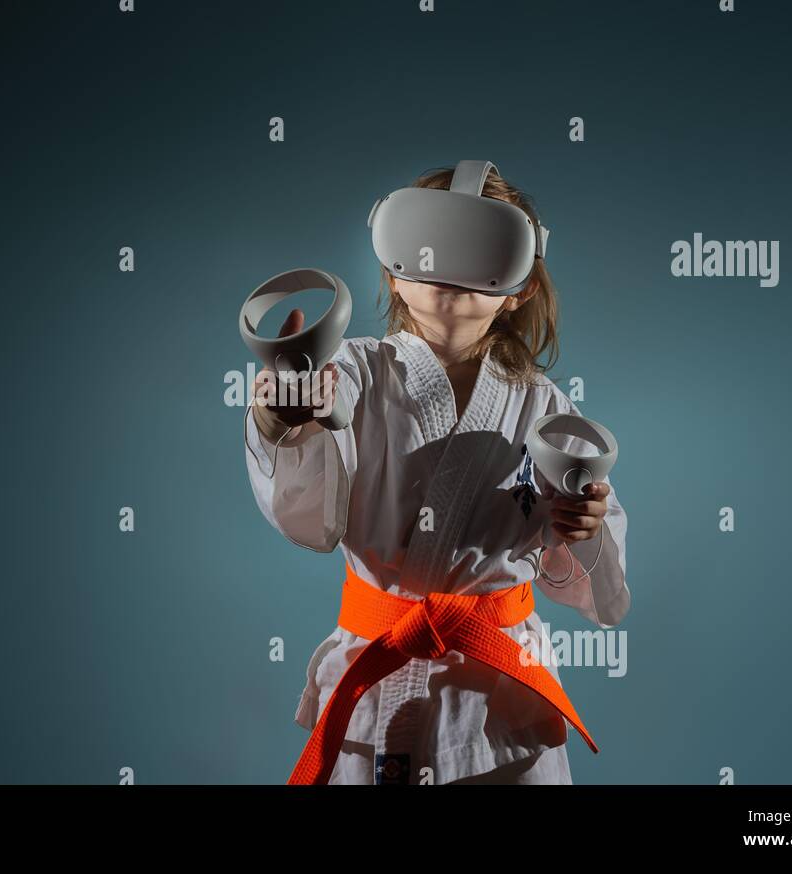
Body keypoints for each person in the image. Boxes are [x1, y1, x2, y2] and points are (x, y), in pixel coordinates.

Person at [243, 164, 630, 785]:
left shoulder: (547, 409)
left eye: (483, 248)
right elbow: (310, 522)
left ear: (520, 286)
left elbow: (595, 592)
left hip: (502, 701)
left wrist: (583, 530)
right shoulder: (348, 375)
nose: (448, 265)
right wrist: (282, 420)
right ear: (395, 276)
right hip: (375, 671)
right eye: (428, 242)